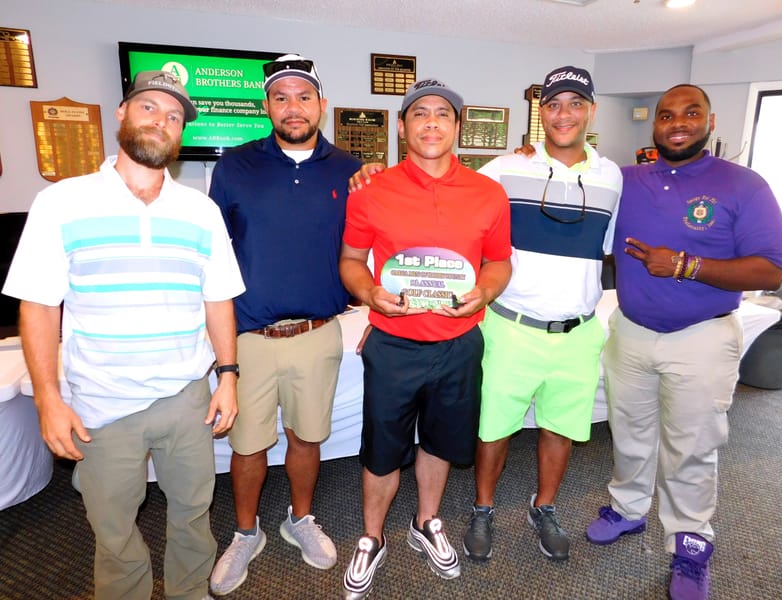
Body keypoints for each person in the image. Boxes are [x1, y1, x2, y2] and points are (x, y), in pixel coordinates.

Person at [2, 70, 244, 600]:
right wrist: (47, 399)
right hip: (101, 404)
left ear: (181, 132)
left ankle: (189, 593)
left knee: (194, 514)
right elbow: (39, 306)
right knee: (113, 532)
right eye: (149, 107)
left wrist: (227, 376)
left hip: (187, 397)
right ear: (122, 113)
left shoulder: (201, 211)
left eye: (174, 116)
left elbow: (218, 300)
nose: (161, 121)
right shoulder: (61, 202)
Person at [584, 84, 782, 600]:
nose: (678, 123)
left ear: (710, 122)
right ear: (654, 125)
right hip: (631, 333)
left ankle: (690, 544)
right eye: (667, 115)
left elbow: (770, 268)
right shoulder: (625, 180)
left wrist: (685, 265)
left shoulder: (743, 185)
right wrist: (532, 154)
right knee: (629, 433)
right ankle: (628, 509)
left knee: (692, 448)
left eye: (691, 113)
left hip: (702, 338)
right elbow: (573, 177)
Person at [339, 78, 512, 600]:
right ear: (402, 127)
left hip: (459, 345)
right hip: (393, 345)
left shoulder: (488, 192)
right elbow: (351, 261)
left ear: (457, 126)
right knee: (382, 450)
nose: (431, 122)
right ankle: (372, 536)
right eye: (419, 113)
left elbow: (499, 262)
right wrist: (370, 293)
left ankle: (425, 521)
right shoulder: (371, 190)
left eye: (442, 114)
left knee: (440, 443)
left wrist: (484, 292)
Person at [207, 54, 363, 596]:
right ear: (266, 106)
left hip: (318, 334)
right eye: (281, 97)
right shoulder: (235, 167)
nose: (292, 107)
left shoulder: (350, 170)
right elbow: (215, 257)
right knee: (247, 445)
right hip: (250, 336)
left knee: (307, 435)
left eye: (303, 97)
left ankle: (300, 518)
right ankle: (245, 532)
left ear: (321, 104)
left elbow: (371, 245)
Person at [460, 66, 622, 564]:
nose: (563, 114)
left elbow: (607, 245)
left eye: (575, 104)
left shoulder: (611, 175)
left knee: (561, 428)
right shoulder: (505, 167)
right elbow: (451, 199)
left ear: (591, 110)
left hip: (577, 333)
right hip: (512, 327)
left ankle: (544, 507)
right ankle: (483, 508)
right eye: (553, 104)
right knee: (494, 428)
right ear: (540, 113)